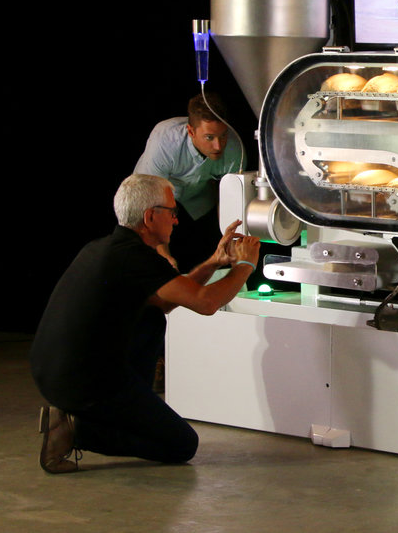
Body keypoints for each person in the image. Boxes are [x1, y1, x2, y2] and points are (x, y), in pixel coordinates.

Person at [30, 174, 261, 473]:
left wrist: (215, 262)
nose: (176, 221)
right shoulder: (135, 258)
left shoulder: (108, 248)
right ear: (151, 216)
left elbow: (168, 299)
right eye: (172, 212)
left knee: (152, 317)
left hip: (51, 371)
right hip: (82, 383)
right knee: (181, 445)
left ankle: (123, 410)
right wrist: (246, 265)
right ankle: (76, 430)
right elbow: (206, 303)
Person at [134, 93, 245, 270]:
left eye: (223, 135)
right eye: (209, 137)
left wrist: (232, 251)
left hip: (199, 198)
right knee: (157, 260)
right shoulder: (165, 142)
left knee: (212, 256)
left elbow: (229, 202)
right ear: (191, 132)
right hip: (152, 197)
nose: (218, 146)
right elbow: (150, 201)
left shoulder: (234, 149)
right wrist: (164, 255)